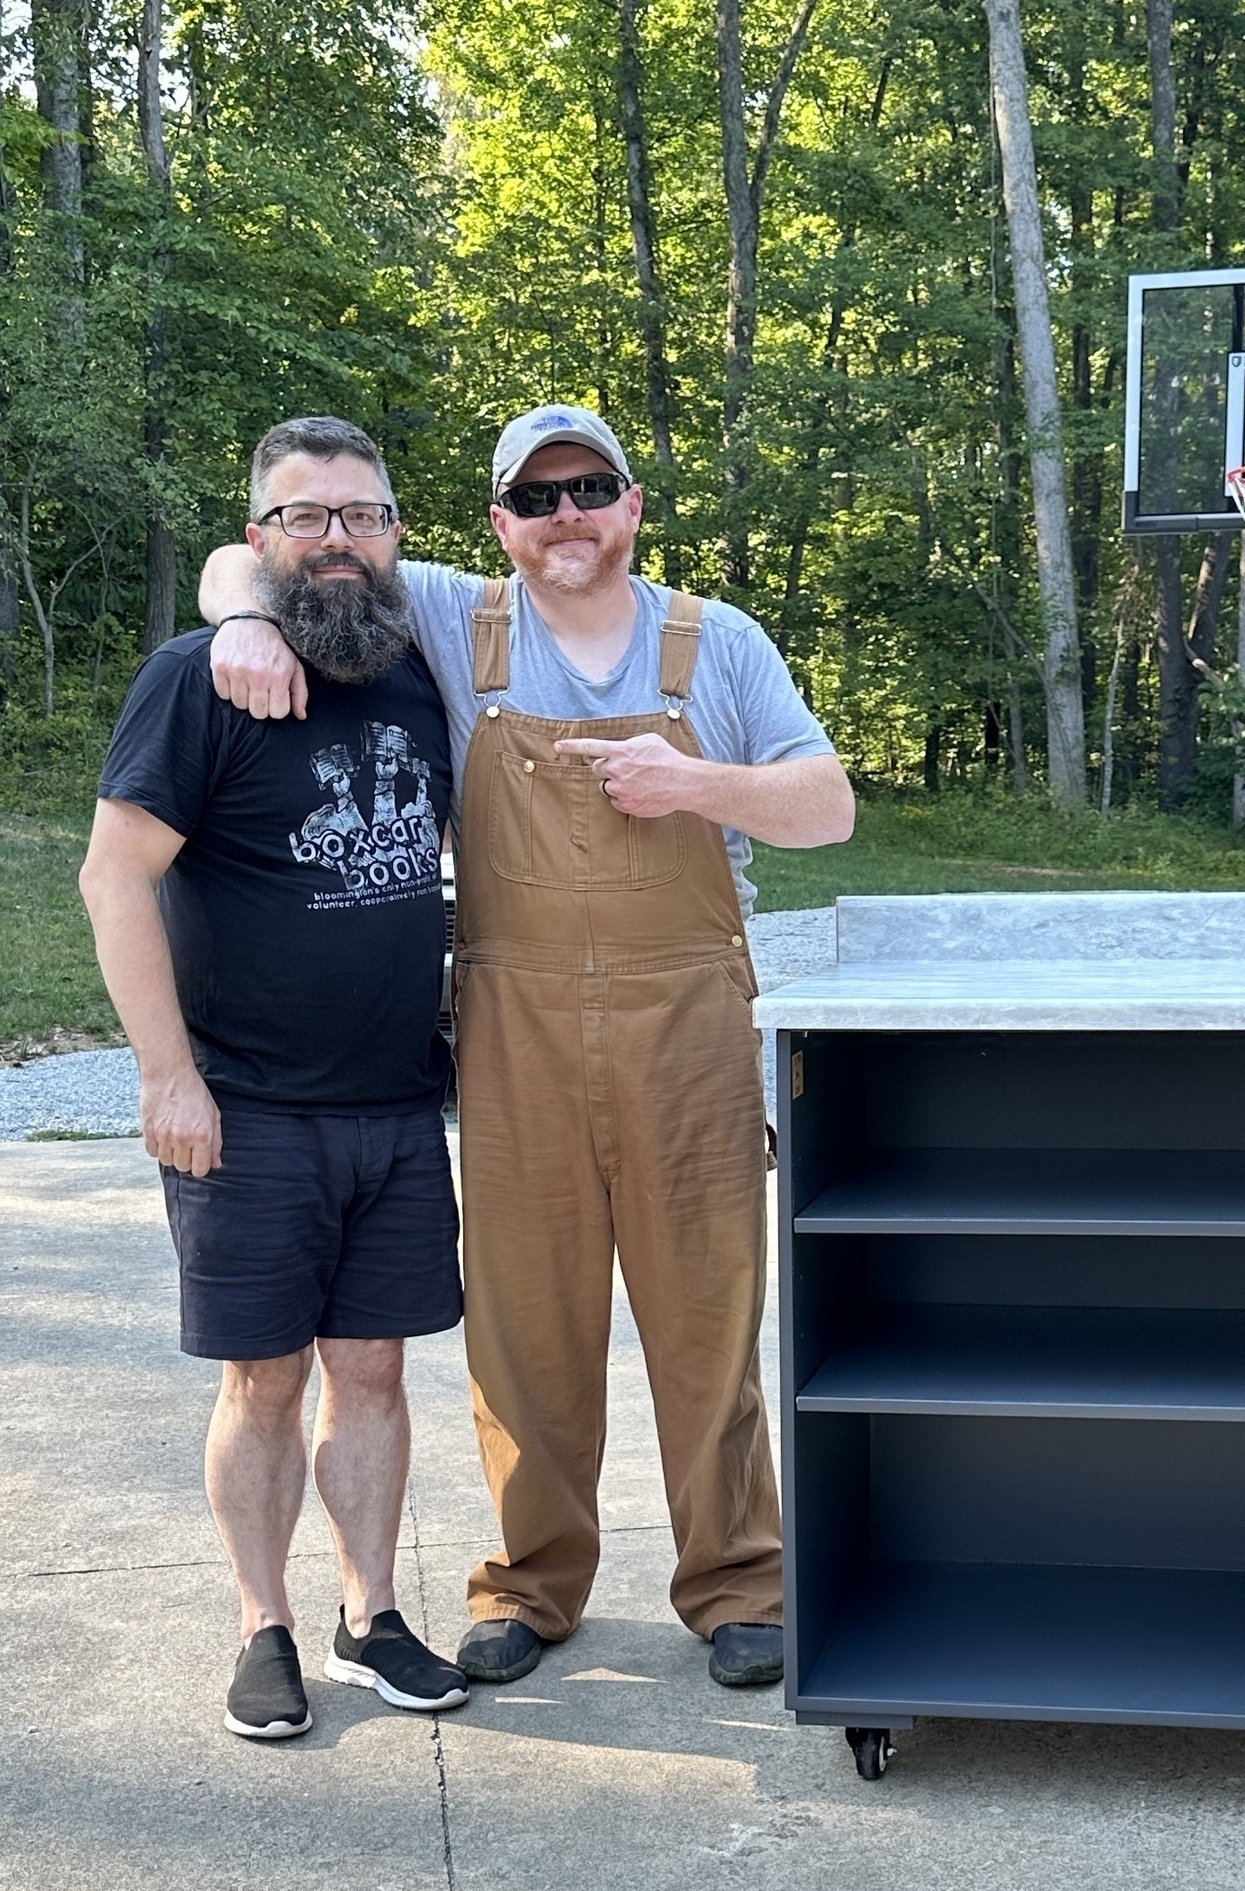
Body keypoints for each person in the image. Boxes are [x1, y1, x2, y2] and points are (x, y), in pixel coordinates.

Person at [200, 404, 855, 1689]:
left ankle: (736, 1582)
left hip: (689, 1032)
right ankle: (531, 1584)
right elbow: (279, 553)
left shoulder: (716, 642)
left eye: (591, 490)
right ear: (500, 522)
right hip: (517, 1033)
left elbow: (827, 804)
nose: (568, 520)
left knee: (708, 1321)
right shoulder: (452, 618)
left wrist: (702, 785)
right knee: (525, 1331)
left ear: (632, 506)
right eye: (538, 499)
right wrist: (238, 618)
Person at [82, 416, 470, 1740]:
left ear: (397, 535)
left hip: (399, 1109)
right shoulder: (199, 677)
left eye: (364, 515)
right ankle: (265, 1623)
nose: (340, 540)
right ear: (261, 541)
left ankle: (372, 1613)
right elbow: (112, 875)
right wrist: (165, 1076)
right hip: (244, 1110)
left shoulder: (424, 675)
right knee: (264, 1381)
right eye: (308, 518)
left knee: (374, 1372)